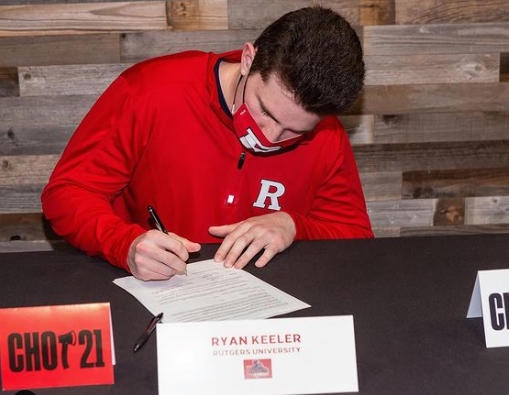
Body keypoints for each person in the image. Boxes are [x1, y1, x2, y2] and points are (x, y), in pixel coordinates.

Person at [41, 6, 374, 281]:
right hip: (152, 290)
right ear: (248, 59)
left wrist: (293, 225)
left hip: (264, 305)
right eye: (265, 111)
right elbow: (66, 193)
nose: (269, 137)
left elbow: (355, 238)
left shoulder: (327, 133)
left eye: (294, 131)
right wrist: (124, 244)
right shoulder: (150, 92)